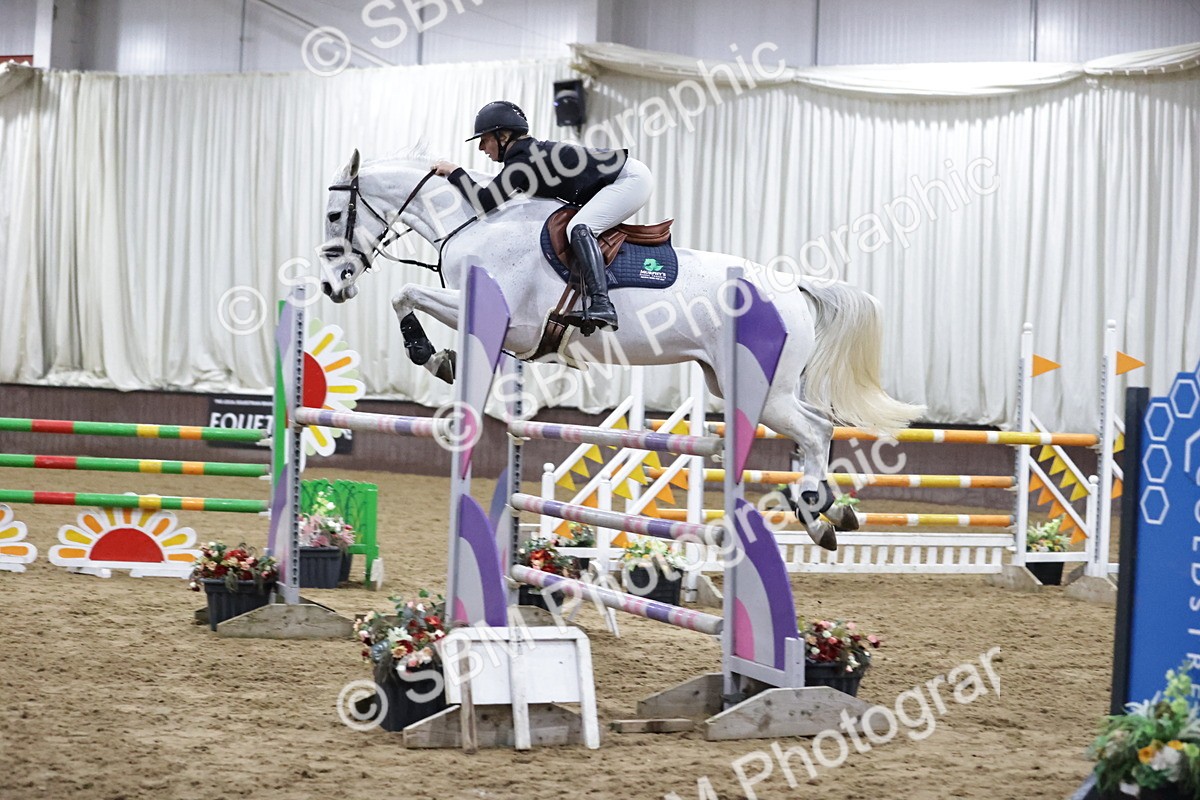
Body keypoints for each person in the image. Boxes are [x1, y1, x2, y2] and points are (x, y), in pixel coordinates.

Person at [433, 100, 653, 332]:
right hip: (624, 178)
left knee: (579, 227)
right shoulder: (524, 156)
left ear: (503, 136)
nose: (481, 147)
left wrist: (455, 172)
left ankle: (602, 303)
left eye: (484, 139)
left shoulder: (524, 158)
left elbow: (485, 202)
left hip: (629, 179)